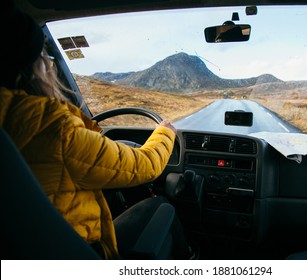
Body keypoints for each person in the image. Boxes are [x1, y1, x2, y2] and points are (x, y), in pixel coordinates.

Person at [0, 6, 189, 259]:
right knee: (161, 207)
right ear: (36, 68)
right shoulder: (56, 129)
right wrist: (164, 132)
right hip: (77, 249)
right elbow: (144, 165)